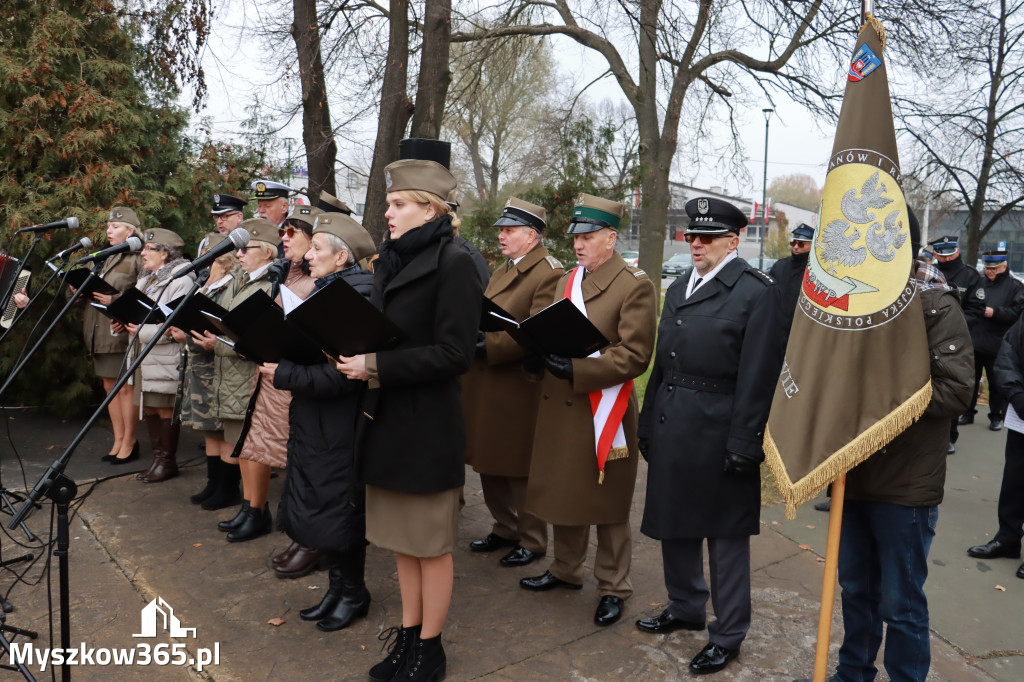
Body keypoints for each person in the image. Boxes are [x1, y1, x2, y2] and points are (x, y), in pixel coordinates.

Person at [335, 155, 481, 682]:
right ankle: (409, 635)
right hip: (389, 419)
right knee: (401, 541)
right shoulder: (391, 260)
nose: (388, 214)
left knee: (430, 546)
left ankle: (431, 649)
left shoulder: (454, 262)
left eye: (398, 205)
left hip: (427, 426)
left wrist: (375, 365)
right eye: (389, 204)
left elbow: (455, 353)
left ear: (429, 208)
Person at [807, 242, 974, 682]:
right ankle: (852, 674)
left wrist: (875, 397)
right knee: (856, 591)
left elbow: (957, 392)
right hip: (853, 474)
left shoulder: (935, 304)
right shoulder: (855, 302)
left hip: (907, 485)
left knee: (900, 605)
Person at [636, 197, 786, 675]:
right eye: (690, 236)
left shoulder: (755, 292)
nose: (695, 243)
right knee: (674, 524)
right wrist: (648, 418)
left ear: (733, 241)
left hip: (722, 428)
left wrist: (745, 441)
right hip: (675, 422)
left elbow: (759, 375)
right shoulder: (680, 285)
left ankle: (728, 634)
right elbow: (664, 362)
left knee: (725, 540)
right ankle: (685, 607)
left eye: (706, 237)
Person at [519, 193, 657, 629]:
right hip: (562, 404)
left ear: (611, 238)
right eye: (576, 236)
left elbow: (635, 354)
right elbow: (547, 322)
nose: (579, 244)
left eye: (589, 236)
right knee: (566, 491)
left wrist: (578, 367)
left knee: (607, 503)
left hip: (602, 408)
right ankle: (565, 569)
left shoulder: (634, 284)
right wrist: (535, 349)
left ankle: (614, 586)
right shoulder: (568, 280)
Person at [264, 212, 377, 629]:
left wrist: (284, 373)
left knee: (341, 508)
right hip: (317, 420)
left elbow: (345, 376)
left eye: (316, 249)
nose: (308, 255)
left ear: (342, 257)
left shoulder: (356, 298)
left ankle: (353, 593)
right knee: (327, 507)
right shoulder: (329, 290)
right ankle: (337, 590)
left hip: (340, 423)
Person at [463, 197, 562, 567]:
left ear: (532, 236)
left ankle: (532, 539)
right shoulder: (507, 267)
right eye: (501, 230)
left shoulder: (548, 272)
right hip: (488, 382)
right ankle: (505, 526)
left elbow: (538, 333)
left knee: (520, 466)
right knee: (488, 460)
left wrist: (487, 344)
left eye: (509, 231)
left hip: (517, 384)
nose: (501, 236)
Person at [230, 208, 316, 545]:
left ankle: (292, 529)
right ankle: (254, 509)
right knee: (257, 444)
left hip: (289, 377)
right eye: (283, 231)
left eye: (292, 232)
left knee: (288, 454)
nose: (285, 237)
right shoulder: (287, 275)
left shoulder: (310, 279)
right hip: (269, 373)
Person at [205, 219, 279, 539]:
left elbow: (267, 334)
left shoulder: (273, 284)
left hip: (250, 374)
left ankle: (258, 510)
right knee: (241, 447)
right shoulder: (236, 278)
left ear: (266, 251)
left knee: (253, 447)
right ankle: (249, 506)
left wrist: (225, 341)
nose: (239, 255)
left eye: (245, 249)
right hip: (228, 373)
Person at [173, 231, 240, 509]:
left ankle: (227, 487)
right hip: (200, 369)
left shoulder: (229, 287)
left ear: (223, 263)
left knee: (223, 431)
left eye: (207, 260)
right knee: (208, 429)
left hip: (218, 368)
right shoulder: (207, 286)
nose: (202, 265)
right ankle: (213, 483)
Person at [125, 228, 195, 482]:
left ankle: (167, 462)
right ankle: (158, 460)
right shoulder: (147, 278)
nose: (143, 253)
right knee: (151, 408)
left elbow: (176, 323)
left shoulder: (181, 279)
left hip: (166, 357)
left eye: (149, 249)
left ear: (165, 254)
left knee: (165, 409)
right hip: (145, 356)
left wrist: (141, 330)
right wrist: (124, 322)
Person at [77, 207, 144, 463]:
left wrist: (115, 301)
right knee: (109, 387)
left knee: (125, 388)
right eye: (108, 226)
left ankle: (130, 441)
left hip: (120, 332)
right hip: (97, 331)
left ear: (130, 231)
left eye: (115, 227)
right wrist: (77, 288)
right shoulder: (101, 258)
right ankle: (118, 439)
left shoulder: (137, 258)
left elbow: (146, 296)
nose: (109, 230)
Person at [968, 313, 1024, 576]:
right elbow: (1009, 353)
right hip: (1022, 415)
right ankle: (1007, 539)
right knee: (1014, 481)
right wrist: (1017, 394)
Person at [931, 234, 985, 454]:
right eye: (941, 255)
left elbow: (978, 309)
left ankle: (950, 437)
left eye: (949, 254)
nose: (945, 259)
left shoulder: (970, 276)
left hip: (957, 342)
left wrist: (954, 323)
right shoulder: (930, 272)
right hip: (931, 338)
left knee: (951, 387)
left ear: (958, 251)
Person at [961, 247, 1024, 431]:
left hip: (997, 344)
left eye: (994, 268)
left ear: (1004, 267)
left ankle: (996, 416)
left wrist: (995, 313)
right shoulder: (978, 282)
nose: (989, 271)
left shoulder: (1016, 287)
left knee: (996, 384)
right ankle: (967, 412)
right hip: (974, 340)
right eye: (988, 268)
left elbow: (1017, 314)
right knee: (970, 380)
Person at [768, 223, 814, 331]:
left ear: (812, 245)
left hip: (802, 329)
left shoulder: (815, 271)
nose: (796, 247)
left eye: (801, 244)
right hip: (778, 328)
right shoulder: (780, 266)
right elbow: (768, 296)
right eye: (793, 243)